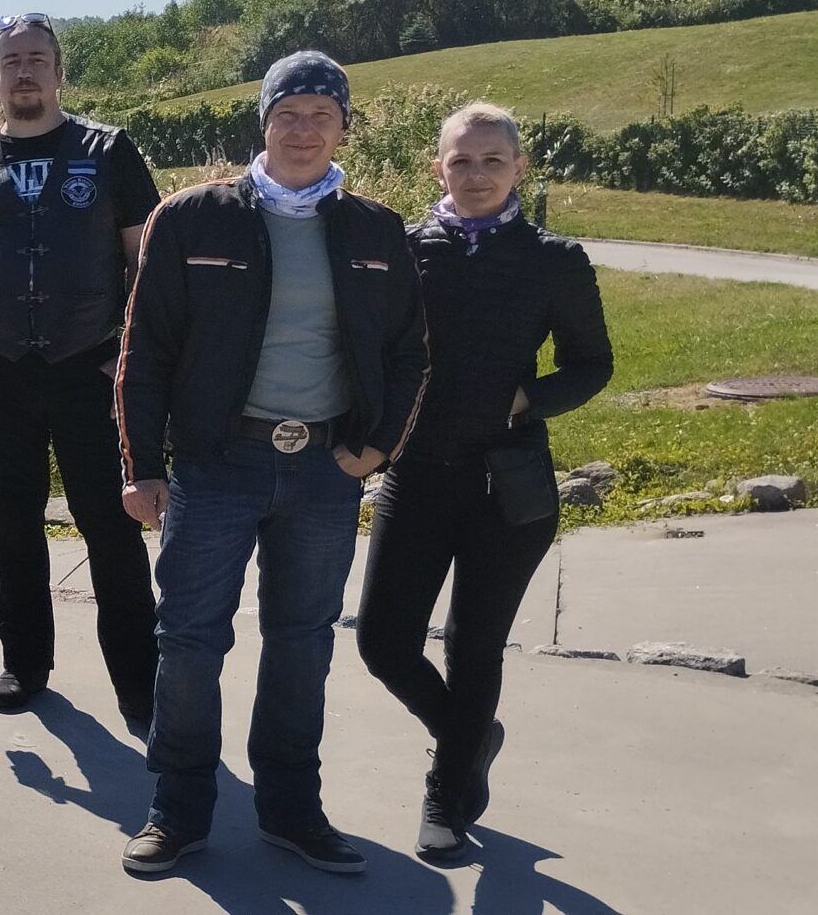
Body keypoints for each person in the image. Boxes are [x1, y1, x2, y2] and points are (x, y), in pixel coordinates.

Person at [113, 50, 428, 876]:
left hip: (324, 469)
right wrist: (142, 466)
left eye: (322, 114)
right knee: (189, 639)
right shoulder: (191, 218)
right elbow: (144, 351)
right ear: (263, 122)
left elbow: (409, 353)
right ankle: (177, 808)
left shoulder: (376, 230)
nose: (304, 129)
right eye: (288, 113)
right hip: (216, 463)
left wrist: (378, 447)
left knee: (302, 641)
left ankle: (291, 809)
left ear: (344, 126)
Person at [357, 102, 611, 862]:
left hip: (507, 483)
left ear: (519, 168)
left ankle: (447, 793)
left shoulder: (554, 259)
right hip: (415, 473)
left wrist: (527, 398)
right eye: (461, 161)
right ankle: (469, 735)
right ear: (438, 167)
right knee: (383, 642)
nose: (476, 175)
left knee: (474, 648)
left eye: (493, 160)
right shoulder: (406, 252)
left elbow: (591, 364)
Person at [0, 12, 159, 725]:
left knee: (110, 525)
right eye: (11, 60)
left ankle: (140, 679)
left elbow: (145, 262)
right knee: (13, 522)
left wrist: (134, 359)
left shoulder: (108, 151)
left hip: (90, 366)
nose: (24, 72)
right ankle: (24, 663)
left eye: (37, 59)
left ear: (59, 71)